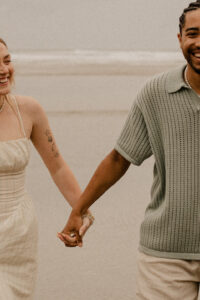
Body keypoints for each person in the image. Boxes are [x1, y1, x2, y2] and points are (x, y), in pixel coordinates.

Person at [58, 1, 200, 299]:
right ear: (179, 39)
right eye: (193, 33)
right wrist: (79, 209)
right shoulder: (155, 93)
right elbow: (119, 158)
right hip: (165, 253)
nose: (199, 43)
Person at [0, 38, 94, 299]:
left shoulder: (28, 110)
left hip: (17, 236)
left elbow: (58, 168)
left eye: (7, 61)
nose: (4, 70)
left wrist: (82, 212)